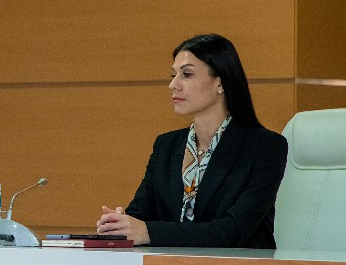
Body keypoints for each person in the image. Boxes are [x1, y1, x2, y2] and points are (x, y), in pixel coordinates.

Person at [96, 34, 287, 248]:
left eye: (187, 74)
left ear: (220, 82)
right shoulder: (166, 145)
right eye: (173, 75)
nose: (173, 84)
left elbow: (232, 231)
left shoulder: (266, 147)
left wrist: (148, 232)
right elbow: (141, 214)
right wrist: (120, 225)